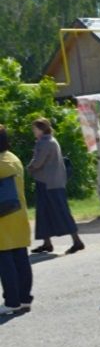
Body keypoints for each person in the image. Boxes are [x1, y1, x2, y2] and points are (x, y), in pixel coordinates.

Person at [27, 118, 84, 255]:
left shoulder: (45, 142)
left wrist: (29, 168)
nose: (33, 132)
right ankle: (47, 243)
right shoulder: (49, 140)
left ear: (41, 129)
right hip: (50, 182)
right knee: (44, 213)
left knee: (61, 212)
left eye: (35, 129)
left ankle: (77, 241)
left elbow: (38, 162)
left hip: (49, 183)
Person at [0, 125, 32, 315]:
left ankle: (12, 302)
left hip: (3, 219)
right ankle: (24, 299)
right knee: (21, 258)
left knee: (5, 262)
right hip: (18, 215)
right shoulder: (13, 158)